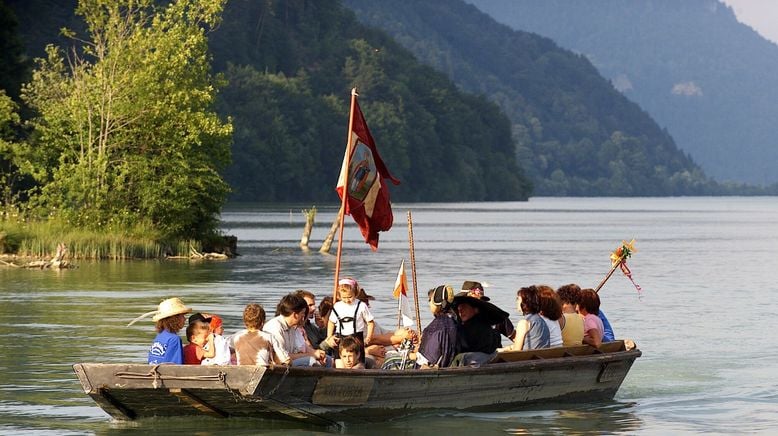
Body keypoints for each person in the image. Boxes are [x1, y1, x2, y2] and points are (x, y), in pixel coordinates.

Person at [264, 293, 329, 366]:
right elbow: (283, 358)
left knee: (328, 359)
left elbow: (304, 346)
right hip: (277, 365)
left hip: (290, 362)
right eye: (303, 313)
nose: (304, 316)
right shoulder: (275, 327)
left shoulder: (293, 327)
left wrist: (316, 353)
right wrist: (312, 355)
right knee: (311, 361)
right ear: (295, 315)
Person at [451, 292, 507, 366]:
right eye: (459, 309)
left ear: (476, 310)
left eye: (464, 307)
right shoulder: (488, 327)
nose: (460, 311)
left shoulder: (472, 329)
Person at [327, 278, 375, 363]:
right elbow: (331, 322)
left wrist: (368, 337)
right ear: (339, 296)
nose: (347, 300)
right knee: (339, 363)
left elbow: (370, 322)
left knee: (358, 364)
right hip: (340, 338)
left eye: (350, 297)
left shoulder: (361, 305)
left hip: (356, 338)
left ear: (355, 293)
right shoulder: (337, 306)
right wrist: (329, 337)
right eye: (343, 297)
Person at [415, 284, 459, 368]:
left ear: (436, 302)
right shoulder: (455, 321)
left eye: (430, 300)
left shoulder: (434, 328)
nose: (429, 304)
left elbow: (425, 360)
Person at [139, 297, 192, 365]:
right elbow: (175, 367)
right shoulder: (174, 339)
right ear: (174, 319)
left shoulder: (159, 336)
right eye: (182, 316)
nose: (185, 319)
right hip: (165, 374)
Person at [500, 285, 550, 351]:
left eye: (518, 299)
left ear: (525, 302)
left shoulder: (524, 323)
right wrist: (507, 348)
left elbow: (517, 351)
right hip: (542, 357)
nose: (516, 302)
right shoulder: (542, 321)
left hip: (528, 359)